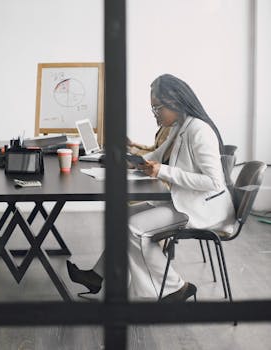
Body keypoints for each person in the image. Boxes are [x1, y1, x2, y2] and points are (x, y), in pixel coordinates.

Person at [67, 74, 236, 301]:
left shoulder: (199, 131)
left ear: (175, 101)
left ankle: (175, 288)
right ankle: (97, 276)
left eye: (158, 109)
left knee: (134, 228)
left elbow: (214, 182)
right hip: (184, 200)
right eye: (153, 109)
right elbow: (156, 156)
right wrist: (132, 161)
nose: (155, 115)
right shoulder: (180, 127)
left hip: (202, 209)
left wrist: (162, 171)